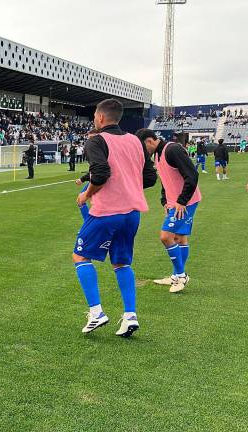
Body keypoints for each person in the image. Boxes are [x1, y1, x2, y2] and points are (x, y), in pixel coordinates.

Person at [73, 99, 157, 338]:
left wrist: (86, 194)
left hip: (107, 211)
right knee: (121, 263)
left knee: (80, 255)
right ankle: (130, 316)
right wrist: (127, 186)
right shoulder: (135, 141)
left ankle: (96, 312)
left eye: (94, 116)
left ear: (100, 117)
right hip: (132, 213)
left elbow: (100, 173)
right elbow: (150, 178)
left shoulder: (96, 140)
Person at [137, 129, 202, 294]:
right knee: (180, 238)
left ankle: (181, 276)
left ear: (149, 141)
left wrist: (182, 201)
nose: (142, 152)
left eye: (142, 147)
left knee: (166, 236)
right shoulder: (157, 155)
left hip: (186, 202)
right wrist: (165, 201)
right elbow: (165, 180)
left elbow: (192, 175)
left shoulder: (172, 149)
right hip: (175, 203)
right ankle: (175, 276)